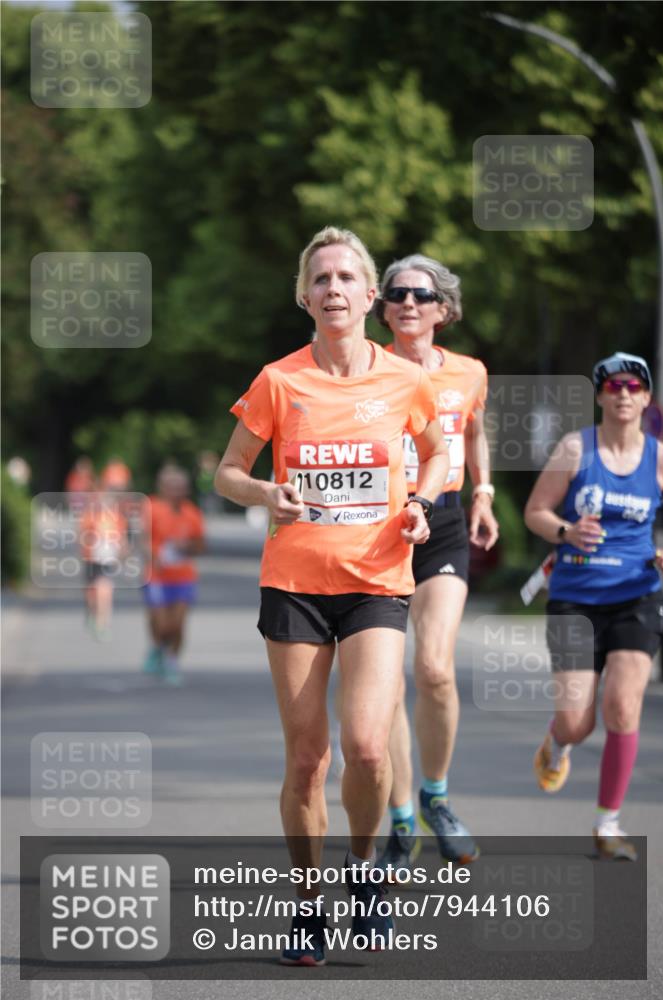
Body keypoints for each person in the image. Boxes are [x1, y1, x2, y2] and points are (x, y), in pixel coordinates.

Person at [215, 226, 449, 966]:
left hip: (377, 581)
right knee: (307, 760)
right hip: (294, 585)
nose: (335, 289)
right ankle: (309, 905)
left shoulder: (404, 380)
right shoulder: (278, 381)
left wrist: (422, 503)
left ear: (369, 294)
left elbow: (438, 453)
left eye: (347, 277)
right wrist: (263, 492)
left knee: (368, 748)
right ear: (303, 296)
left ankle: (366, 876)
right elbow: (226, 471)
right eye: (321, 279)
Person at [374, 254, 499, 874]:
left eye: (421, 295)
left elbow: (473, 430)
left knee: (436, 669)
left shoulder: (469, 372)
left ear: (442, 310)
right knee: (387, 681)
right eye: (395, 293)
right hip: (379, 530)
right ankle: (400, 818)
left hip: (444, 522)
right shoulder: (367, 370)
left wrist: (483, 491)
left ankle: (437, 796)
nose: (407, 303)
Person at [525, 352, 663, 860]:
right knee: (578, 722)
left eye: (633, 385)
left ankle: (608, 824)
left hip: (637, 595)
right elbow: (535, 512)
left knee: (623, 707)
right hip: (574, 598)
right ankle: (558, 742)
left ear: (647, 397)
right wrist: (567, 531)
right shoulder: (575, 449)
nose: (623, 393)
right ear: (601, 396)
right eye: (613, 386)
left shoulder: (660, 457)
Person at [142, 465, 205, 686]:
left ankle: (171, 661)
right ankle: (158, 647)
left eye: (181, 488)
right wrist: (154, 555)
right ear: (162, 488)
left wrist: (187, 547)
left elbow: (201, 546)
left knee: (177, 624)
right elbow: (140, 539)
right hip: (156, 576)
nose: (177, 492)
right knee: (161, 624)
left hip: (183, 576)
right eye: (172, 487)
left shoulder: (192, 513)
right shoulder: (151, 507)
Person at [79, 490, 128, 641]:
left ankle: (102, 623)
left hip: (107, 560)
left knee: (105, 589)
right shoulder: (89, 517)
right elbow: (82, 536)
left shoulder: (118, 519)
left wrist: (121, 554)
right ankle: (91, 612)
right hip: (91, 558)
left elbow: (122, 539)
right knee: (91, 591)